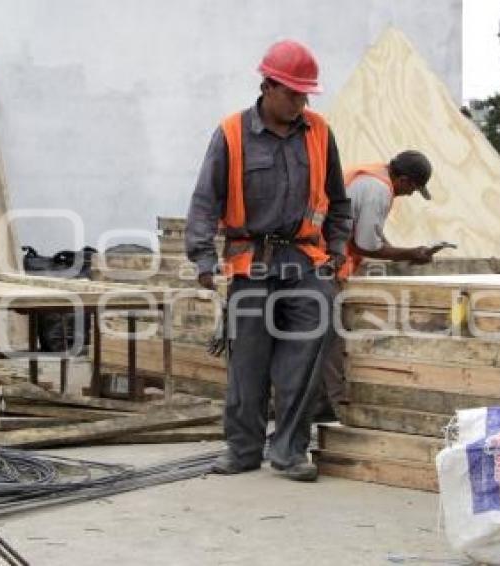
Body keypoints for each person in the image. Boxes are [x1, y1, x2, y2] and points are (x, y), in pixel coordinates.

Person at [185, 39, 350, 482]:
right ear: (268, 86)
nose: (300, 103)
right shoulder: (231, 133)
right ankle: (242, 450)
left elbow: (338, 199)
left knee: (306, 357)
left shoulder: (319, 132)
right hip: (250, 262)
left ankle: (290, 451)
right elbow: (205, 199)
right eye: (293, 94)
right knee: (248, 363)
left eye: (305, 95)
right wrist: (202, 258)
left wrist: (336, 248)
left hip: (305, 259)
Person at [321, 151, 439, 418]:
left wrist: (398, 250)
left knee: (317, 337)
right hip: (322, 263)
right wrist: (410, 254)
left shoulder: (371, 175)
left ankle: (320, 405)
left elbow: (369, 234)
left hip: (320, 260)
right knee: (330, 340)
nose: (409, 195)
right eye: (412, 189)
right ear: (404, 179)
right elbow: (366, 244)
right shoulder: (379, 190)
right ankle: (335, 409)